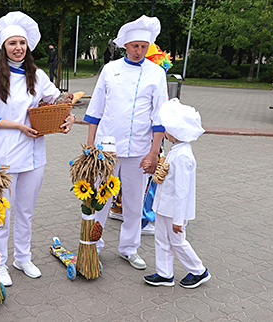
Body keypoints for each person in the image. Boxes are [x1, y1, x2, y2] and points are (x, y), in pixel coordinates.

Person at [0, 11, 75, 287]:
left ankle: (22, 256)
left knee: (26, 211)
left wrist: (69, 116)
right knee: (2, 212)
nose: (18, 48)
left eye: (21, 43)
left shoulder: (38, 75)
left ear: (27, 45)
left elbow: (57, 101)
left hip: (34, 156)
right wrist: (19, 126)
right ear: (3, 46)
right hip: (4, 156)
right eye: (12, 43)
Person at [84, 15, 168, 270]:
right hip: (107, 148)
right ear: (125, 46)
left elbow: (159, 115)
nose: (139, 51)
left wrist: (154, 152)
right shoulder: (111, 69)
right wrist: (90, 144)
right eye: (134, 46)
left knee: (134, 202)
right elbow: (96, 108)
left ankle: (129, 248)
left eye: (144, 47)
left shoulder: (156, 73)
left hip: (140, 149)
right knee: (101, 198)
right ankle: (93, 245)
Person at [144, 99, 211, 288]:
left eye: (167, 128)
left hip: (174, 211)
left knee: (177, 241)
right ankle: (164, 273)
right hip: (164, 206)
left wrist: (178, 219)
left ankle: (199, 271)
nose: (165, 131)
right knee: (161, 239)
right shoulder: (177, 150)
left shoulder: (183, 156)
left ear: (176, 131)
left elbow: (182, 190)